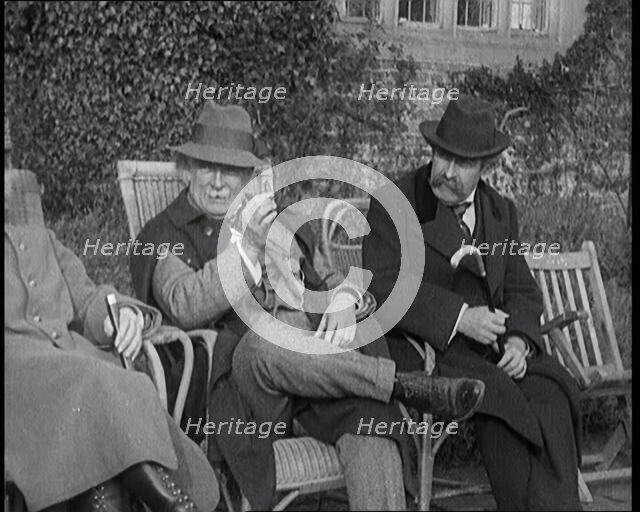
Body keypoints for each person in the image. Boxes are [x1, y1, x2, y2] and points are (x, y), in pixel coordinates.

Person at [130, 100, 485, 510]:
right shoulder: (165, 235)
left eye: (231, 171)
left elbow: (325, 277)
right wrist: (246, 249)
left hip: (320, 379)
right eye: (207, 167)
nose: (218, 183)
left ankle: (386, 389)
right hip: (247, 390)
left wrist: (340, 300)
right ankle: (403, 385)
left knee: (371, 423)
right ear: (186, 169)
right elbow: (183, 303)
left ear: (248, 177)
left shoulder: (275, 222)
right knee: (266, 341)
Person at [362, 95, 582, 510]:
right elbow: (382, 284)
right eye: (442, 155)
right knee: (499, 402)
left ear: (485, 166)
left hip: (493, 351)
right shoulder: (397, 202)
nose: (446, 172)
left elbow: (521, 288)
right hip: (426, 350)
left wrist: (519, 340)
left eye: (462, 163)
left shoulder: (499, 211)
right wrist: (460, 317)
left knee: (552, 395)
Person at [4, 168, 219, 512]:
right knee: (96, 383)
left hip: (75, 377)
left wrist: (117, 317)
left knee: (102, 463)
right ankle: (173, 501)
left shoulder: (41, 238)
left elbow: (88, 298)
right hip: (19, 384)